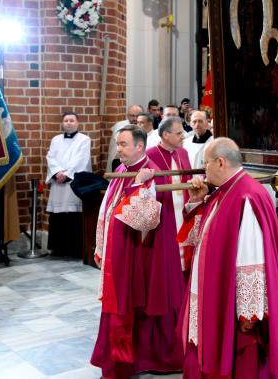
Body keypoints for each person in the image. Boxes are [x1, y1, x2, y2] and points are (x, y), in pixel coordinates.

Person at [178, 137, 278, 377]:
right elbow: (198, 238)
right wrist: (196, 202)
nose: (204, 169)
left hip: (232, 305)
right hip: (212, 294)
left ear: (220, 162)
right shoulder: (224, 191)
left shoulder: (246, 195)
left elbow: (251, 255)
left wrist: (249, 312)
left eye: (206, 163)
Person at [91, 125, 185, 378]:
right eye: (118, 144)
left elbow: (145, 219)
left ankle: (130, 361)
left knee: (130, 305)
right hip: (120, 250)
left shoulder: (152, 172)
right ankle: (121, 359)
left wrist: (138, 185)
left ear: (139, 146)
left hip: (139, 252)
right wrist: (102, 245)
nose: (118, 149)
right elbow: (108, 207)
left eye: (123, 144)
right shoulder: (123, 168)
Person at [146, 117, 193, 274]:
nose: (183, 136)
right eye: (179, 133)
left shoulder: (183, 153)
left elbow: (189, 180)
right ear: (166, 134)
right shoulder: (150, 155)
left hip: (184, 212)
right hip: (165, 214)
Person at [45, 111, 91, 257]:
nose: (69, 123)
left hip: (73, 183)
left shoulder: (84, 139)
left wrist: (67, 174)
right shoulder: (55, 139)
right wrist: (57, 172)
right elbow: (50, 157)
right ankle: (58, 249)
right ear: (62, 123)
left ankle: (74, 249)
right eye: (66, 121)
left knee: (73, 214)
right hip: (58, 184)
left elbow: (82, 159)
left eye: (72, 120)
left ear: (77, 123)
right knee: (58, 215)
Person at [106, 104, 141, 172]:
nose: (135, 118)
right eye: (132, 116)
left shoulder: (142, 126)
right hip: (119, 160)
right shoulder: (120, 126)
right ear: (127, 115)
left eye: (137, 116)